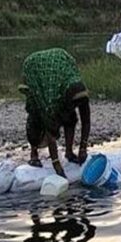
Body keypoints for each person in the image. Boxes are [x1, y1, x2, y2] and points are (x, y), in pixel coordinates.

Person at [19, 48, 90, 177]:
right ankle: (34, 153)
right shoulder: (53, 98)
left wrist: (83, 148)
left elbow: (86, 121)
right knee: (37, 114)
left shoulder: (81, 95)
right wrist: (56, 165)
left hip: (60, 64)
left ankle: (69, 152)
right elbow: (50, 131)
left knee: (71, 119)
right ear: (66, 100)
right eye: (72, 104)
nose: (75, 106)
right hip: (36, 69)